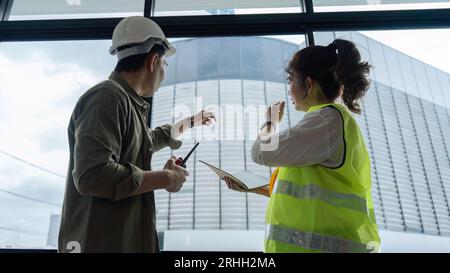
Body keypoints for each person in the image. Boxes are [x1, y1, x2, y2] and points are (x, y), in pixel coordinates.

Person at [58, 16, 215, 253]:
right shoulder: (105, 98)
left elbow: (148, 140)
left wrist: (191, 121)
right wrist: (166, 178)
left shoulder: (125, 102)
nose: (164, 71)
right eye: (165, 64)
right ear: (153, 61)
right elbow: (93, 175)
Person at [225, 39, 380, 253]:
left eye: (291, 80)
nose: (289, 89)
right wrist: (258, 188)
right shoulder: (329, 122)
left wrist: (271, 122)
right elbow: (315, 194)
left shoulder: (327, 121)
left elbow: (260, 151)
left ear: (308, 84)